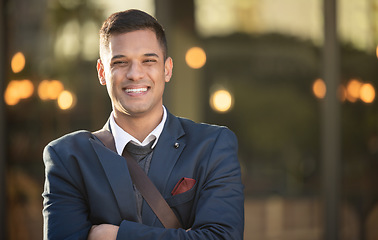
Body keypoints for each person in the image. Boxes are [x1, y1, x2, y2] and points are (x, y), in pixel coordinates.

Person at [42, 9, 244, 240]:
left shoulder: (211, 146)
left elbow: (223, 237)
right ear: (102, 72)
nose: (135, 74)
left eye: (148, 61)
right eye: (120, 62)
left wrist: (113, 236)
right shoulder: (68, 157)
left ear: (167, 69)